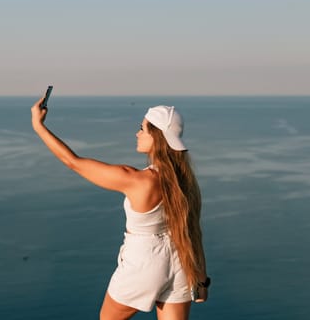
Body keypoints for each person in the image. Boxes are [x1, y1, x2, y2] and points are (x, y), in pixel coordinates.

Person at [31, 99, 210, 320]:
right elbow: (193, 231)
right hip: (182, 262)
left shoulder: (137, 180)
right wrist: (200, 278)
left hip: (145, 262)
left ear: (157, 137)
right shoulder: (186, 183)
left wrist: (38, 125)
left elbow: (72, 162)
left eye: (142, 128)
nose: (137, 133)